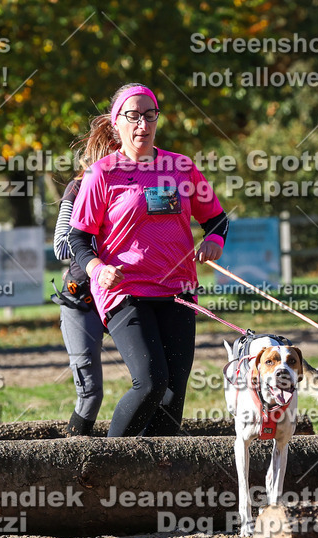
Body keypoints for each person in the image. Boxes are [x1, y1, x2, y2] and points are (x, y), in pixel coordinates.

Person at [67, 83, 229, 437]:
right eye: (133, 116)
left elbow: (217, 218)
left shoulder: (181, 167)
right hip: (127, 289)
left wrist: (214, 239)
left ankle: (155, 480)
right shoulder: (103, 174)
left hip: (178, 289)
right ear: (116, 124)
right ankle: (106, 465)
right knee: (152, 381)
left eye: (150, 115)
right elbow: (77, 237)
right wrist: (97, 268)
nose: (143, 123)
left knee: (174, 395)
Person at [51, 119, 113, 436]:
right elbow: (62, 245)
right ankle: (74, 450)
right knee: (91, 393)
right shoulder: (77, 188)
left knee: (153, 380)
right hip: (82, 300)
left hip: (125, 298)